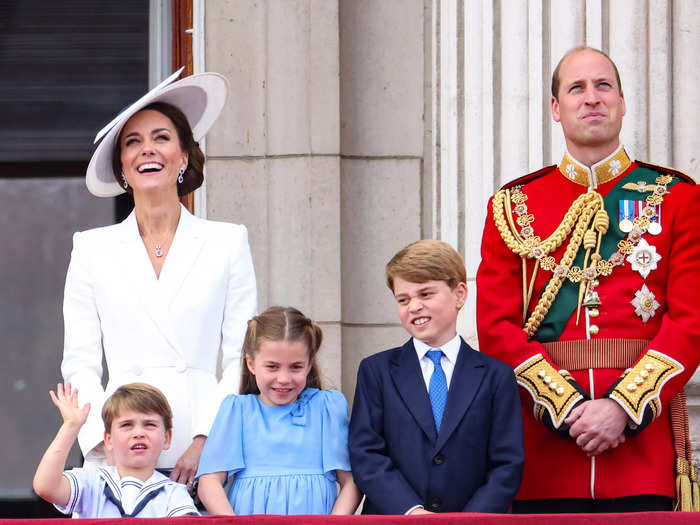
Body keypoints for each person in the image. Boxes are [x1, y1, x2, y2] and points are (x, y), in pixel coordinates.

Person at [476, 46, 700, 513]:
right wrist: (567, 408)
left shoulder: (677, 198)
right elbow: (496, 328)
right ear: (556, 109)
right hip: (542, 456)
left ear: (622, 102)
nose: (591, 98)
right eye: (576, 88)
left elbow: (690, 322)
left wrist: (621, 408)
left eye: (604, 86)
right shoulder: (513, 205)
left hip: (641, 453)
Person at [60, 70, 257, 490]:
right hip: (118, 445)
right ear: (122, 169)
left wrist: (208, 439)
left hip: (204, 449)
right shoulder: (91, 248)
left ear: (184, 156)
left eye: (161, 137)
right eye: (133, 142)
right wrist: (102, 443)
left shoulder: (227, 241)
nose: (147, 149)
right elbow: (79, 362)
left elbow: (240, 356)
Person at [349, 239, 524, 514]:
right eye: (403, 299)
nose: (414, 306)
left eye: (426, 294)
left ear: (460, 294)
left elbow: (507, 463)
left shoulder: (496, 376)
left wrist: (467, 522)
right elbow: (366, 454)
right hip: (397, 520)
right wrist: (412, 512)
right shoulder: (376, 371)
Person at [195, 306, 361, 515]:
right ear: (251, 363)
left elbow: (351, 481)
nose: (283, 378)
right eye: (272, 367)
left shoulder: (327, 408)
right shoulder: (237, 411)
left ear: (309, 364)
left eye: (296, 367)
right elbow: (209, 482)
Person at [33, 382, 198, 518]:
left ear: (167, 438)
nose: (139, 433)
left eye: (149, 424)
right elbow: (45, 487)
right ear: (108, 439)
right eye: (127, 425)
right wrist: (71, 426)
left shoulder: (174, 494)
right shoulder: (91, 482)